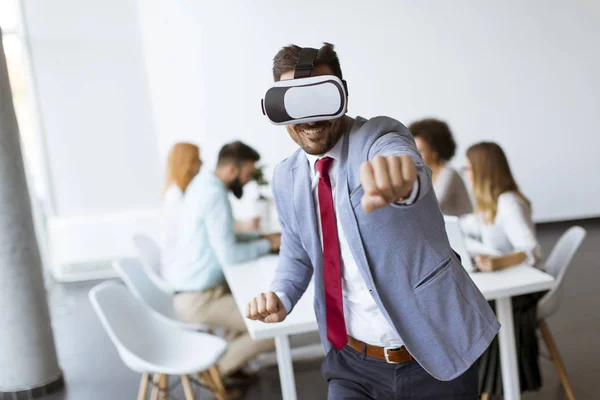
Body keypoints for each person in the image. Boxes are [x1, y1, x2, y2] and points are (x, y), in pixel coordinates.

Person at [246, 43, 500, 399]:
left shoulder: (378, 137)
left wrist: (402, 181)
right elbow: (297, 251)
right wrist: (282, 295)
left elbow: (405, 162)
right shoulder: (286, 177)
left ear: (342, 95)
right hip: (351, 362)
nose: (310, 118)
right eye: (295, 104)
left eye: (319, 98)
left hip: (433, 349)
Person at [165, 141, 280, 379]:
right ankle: (211, 375)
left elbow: (224, 237)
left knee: (252, 309)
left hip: (191, 292)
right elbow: (229, 255)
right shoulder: (215, 194)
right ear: (232, 171)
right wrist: (267, 244)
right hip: (199, 299)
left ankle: (227, 368)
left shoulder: (202, 184)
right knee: (271, 327)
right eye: (247, 173)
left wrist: (259, 237)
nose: (249, 180)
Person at [460, 142, 543, 396]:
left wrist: (497, 263)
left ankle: (490, 388)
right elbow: (467, 225)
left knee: (478, 310)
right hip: (511, 281)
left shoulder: (508, 203)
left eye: (468, 168)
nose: (465, 173)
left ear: (483, 170)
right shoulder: (491, 205)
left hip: (526, 290)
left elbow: (532, 250)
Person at [409, 118, 473, 216]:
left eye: (420, 150)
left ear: (435, 152)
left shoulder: (449, 173)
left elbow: (432, 204)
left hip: (460, 229)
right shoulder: (421, 174)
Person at [161, 143, 203, 275]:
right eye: (197, 160)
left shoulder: (183, 192)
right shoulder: (175, 197)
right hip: (179, 267)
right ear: (187, 163)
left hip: (183, 262)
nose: (202, 164)